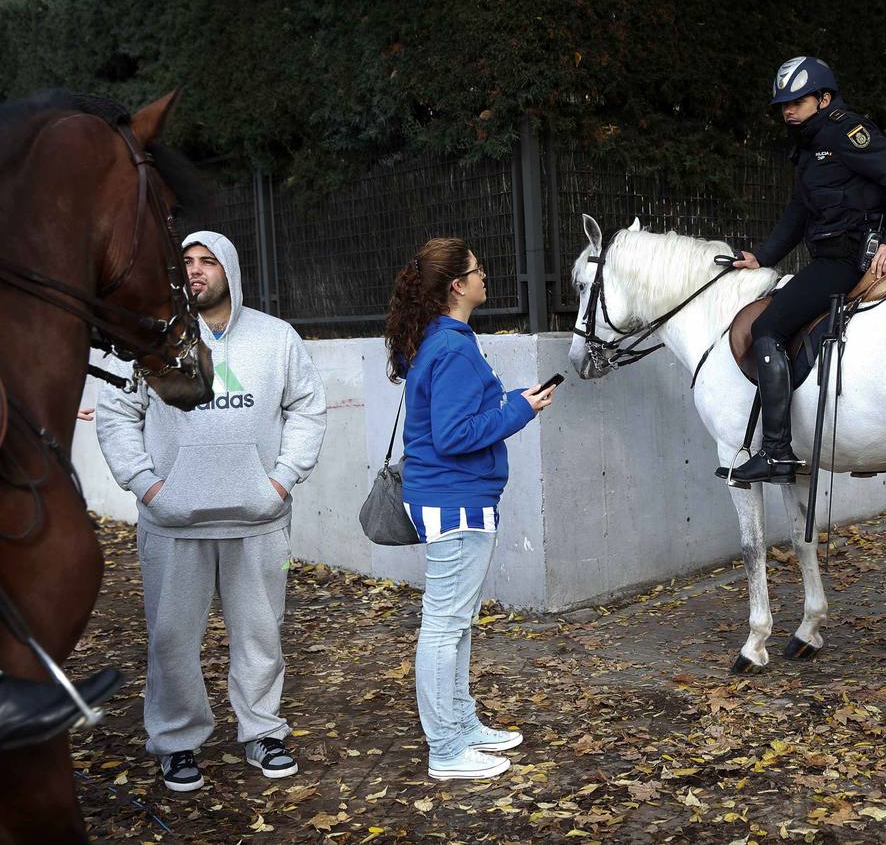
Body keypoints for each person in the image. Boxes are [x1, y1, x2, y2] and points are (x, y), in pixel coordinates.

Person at [96, 230, 327, 791]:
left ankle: (262, 732)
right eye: (186, 263)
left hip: (258, 516)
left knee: (260, 633)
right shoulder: (148, 338)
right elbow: (115, 414)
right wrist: (147, 485)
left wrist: (280, 481)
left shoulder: (276, 338)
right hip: (173, 520)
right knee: (171, 637)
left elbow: (307, 409)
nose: (196, 271)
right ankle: (177, 742)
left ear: (231, 270)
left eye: (208, 261)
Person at [384, 237, 555, 781]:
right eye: (478, 271)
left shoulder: (444, 339)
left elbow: (459, 418)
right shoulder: (453, 347)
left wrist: (511, 402)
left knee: (455, 625)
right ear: (457, 285)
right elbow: (455, 435)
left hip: (453, 498)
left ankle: (461, 726)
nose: (486, 277)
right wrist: (520, 412)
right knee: (444, 626)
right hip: (454, 501)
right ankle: (446, 747)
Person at [722, 56, 886, 484]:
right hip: (830, 258)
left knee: (767, 329)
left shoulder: (847, 133)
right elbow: (799, 211)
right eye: (783, 105)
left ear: (824, 98)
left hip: (847, 261)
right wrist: (762, 257)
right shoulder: (811, 147)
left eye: (797, 101)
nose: (788, 110)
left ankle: (776, 451)